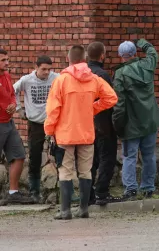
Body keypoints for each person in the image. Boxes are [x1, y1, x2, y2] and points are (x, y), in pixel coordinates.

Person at [45, 44, 117, 220]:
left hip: (65, 133)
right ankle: (84, 209)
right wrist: (92, 108)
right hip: (86, 133)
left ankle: (65, 210)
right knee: (85, 171)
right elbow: (112, 98)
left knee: (65, 171)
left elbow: (53, 110)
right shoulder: (94, 79)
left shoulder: (61, 80)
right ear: (84, 59)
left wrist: (49, 130)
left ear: (68, 59)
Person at [112, 39, 159, 201]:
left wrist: (117, 125)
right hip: (150, 120)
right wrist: (143, 42)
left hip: (131, 124)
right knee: (149, 156)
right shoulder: (148, 65)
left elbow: (119, 104)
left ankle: (131, 189)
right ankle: (148, 188)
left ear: (121, 56)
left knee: (129, 157)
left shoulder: (120, 74)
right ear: (135, 53)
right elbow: (153, 52)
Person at [13, 54, 59, 202]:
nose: (46, 72)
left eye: (49, 69)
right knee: (34, 157)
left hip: (53, 122)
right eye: (43, 69)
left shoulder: (56, 78)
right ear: (36, 67)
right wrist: (19, 109)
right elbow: (12, 91)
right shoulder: (27, 80)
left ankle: (64, 190)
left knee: (61, 154)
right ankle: (35, 191)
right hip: (35, 124)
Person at [86, 41, 120, 205]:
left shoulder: (82, 74)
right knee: (107, 158)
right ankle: (102, 192)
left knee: (90, 161)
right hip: (103, 123)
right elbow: (111, 100)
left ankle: (89, 194)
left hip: (85, 124)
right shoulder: (102, 75)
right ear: (102, 55)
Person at [0, 48, 34, 204]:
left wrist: (13, 104)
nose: (7, 63)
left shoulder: (6, 75)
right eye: (3, 60)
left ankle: (13, 193)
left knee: (19, 155)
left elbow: (12, 94)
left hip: (9, 122)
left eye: (7, 59)